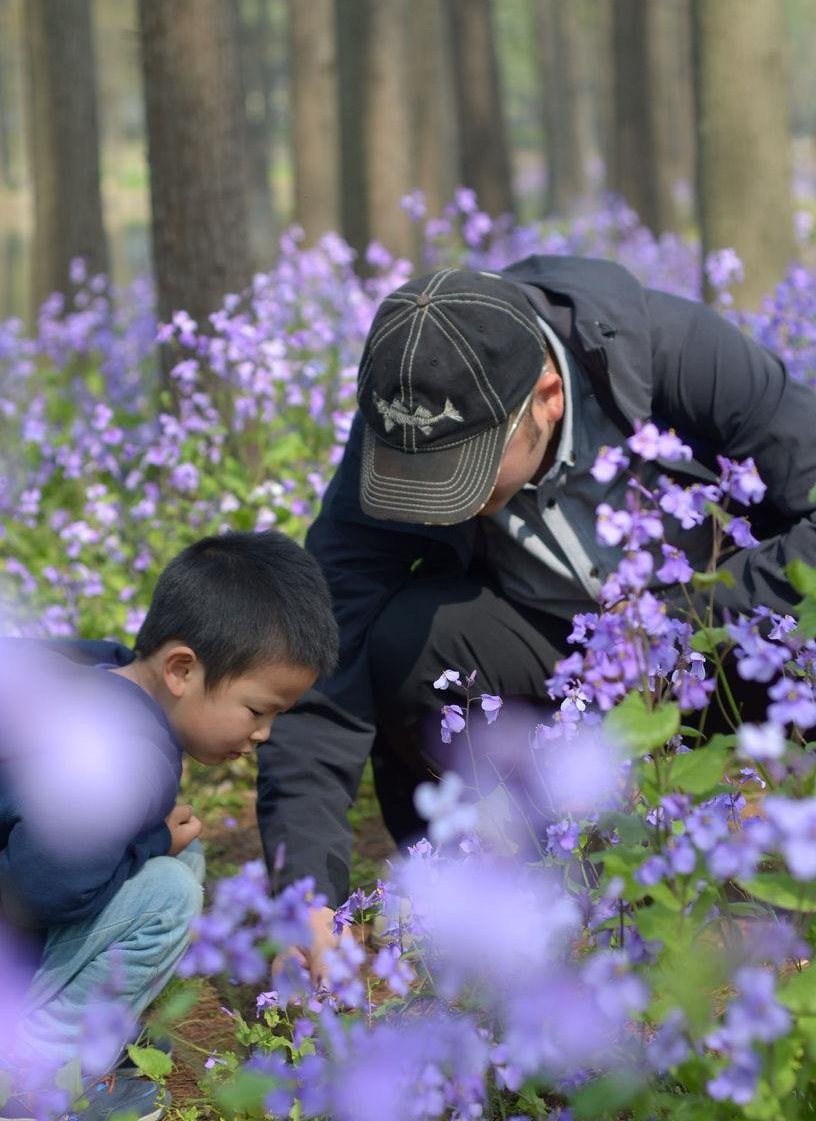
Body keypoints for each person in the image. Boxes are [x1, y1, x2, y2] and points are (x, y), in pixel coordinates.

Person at [256, 256, 816, 975]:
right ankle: (536, 885)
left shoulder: (673, 357)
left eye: (465, 469)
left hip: (730, 656)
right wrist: (304, 892)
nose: (433, 499)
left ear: (548, 397)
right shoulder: (407, 434)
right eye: (416, 476)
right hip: (565, 673)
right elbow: (321, 656)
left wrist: (672, 618)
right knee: (402, 642)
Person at [0, 530, 337, 1121]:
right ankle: (44, 1075)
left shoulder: (97, 666)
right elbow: (45, 888)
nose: (263, 736)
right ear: (181, 668)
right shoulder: (130, 758)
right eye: (257, 711)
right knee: (172, 886)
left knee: (180, 855)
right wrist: (154, 840)